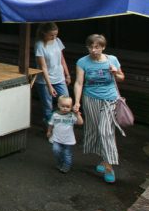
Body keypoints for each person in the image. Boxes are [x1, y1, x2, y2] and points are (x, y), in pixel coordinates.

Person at [73, 33, 125, 184]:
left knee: (105, 131)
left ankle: (109, 167)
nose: (93, 50)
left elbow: (122, 77)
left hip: (110, 99)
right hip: (91, 99)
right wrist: (77, 102)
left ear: (103, 47)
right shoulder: (82, 62)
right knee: (96, 130)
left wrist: (115, 73)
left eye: (97, 47)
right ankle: (104, 160)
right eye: (90, 47)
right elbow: (79, 83)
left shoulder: (112, 59)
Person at [34, 22, 70, 127]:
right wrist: (49, 86)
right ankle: (50, 128)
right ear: (44, 33)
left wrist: (67, 74)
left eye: (56, 34)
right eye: (51, 35)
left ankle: (62, 125)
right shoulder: (39, 45)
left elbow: (62, 59)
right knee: (47, 106)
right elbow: (43, 67)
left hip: (59, 77)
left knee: (65, 100)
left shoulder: (57, 41)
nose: (54, 37)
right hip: (45, 80)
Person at [46, 96, 83, 173]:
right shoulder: (55, 114)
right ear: (58, 105)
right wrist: (49, 131)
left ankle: (66, 166)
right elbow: (51, 124)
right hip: (57, 138)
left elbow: (80, 123)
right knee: (56, 150)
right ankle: (60, 162)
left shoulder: (72, 115)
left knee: (67, 154)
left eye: (68, 106)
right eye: (63, 106)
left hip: (68, 139)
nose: (65, 108)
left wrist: (77, 114)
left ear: (71, 107)